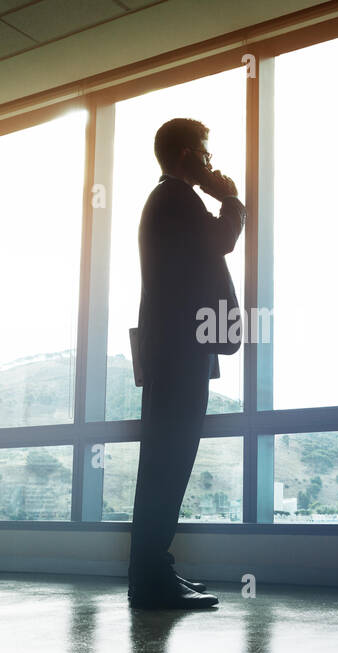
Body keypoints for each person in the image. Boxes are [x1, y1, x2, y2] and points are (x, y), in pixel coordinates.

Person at [127, 118, 244, 610]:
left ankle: (156, 573)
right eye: (204, 153)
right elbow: (220, 242)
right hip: (178, 356)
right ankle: (152, 580)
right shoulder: (175, 198)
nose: (210, 163)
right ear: (186, 156)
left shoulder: (170, 200)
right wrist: (232, 199)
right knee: (167, 467)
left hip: (174, 353)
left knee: (165, 466)